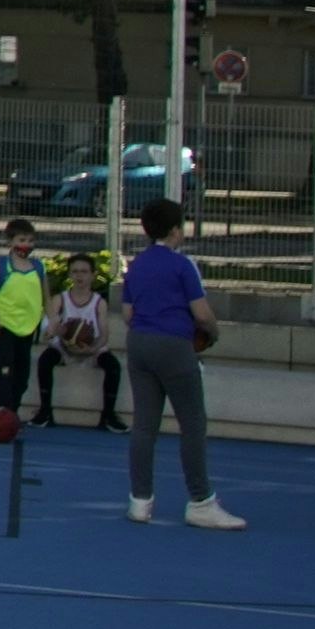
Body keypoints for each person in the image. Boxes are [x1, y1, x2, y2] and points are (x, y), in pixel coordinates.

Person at [117, 198, 243, 528]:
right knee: (192, 424)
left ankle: (140, 501)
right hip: (173, 344)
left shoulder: (137, 264)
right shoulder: (183, 265)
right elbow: (201, 313)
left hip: (139, 343)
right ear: (176, 230)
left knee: (144, 425)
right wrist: (212, 334)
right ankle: (200, 500)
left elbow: (128, 313)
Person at [0, 216, 48, 418]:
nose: (27, 245)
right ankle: (2, 412)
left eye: (30, 241)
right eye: (22, 240)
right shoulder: (1, 265)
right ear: (11, 242)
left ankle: (12, 412)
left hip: (27, 326)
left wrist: (52, 321)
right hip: (2, 324)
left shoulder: (38, 267)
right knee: (5, 369)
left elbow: (45, 298)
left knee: (22, 375)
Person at [36, 253, 119, 429]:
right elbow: (48, 328)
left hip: (91, 348)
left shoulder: (99, 302)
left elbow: (104, 334)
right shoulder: (60, 299)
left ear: (93, 274)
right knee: (44, 361)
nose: (79, 276)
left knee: (114, 366)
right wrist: (56, 331)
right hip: (64, 348)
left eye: (84, 271)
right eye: (75, 271)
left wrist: (92, 349)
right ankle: (44, 411)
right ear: (69, 275)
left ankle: (108, 416)